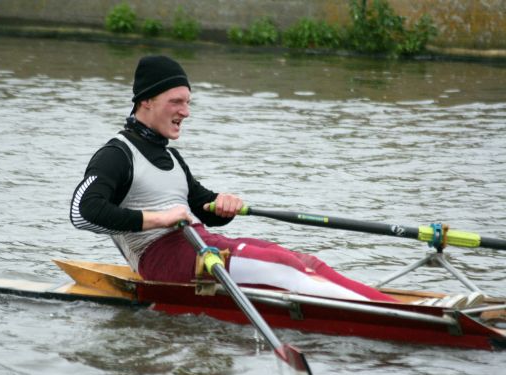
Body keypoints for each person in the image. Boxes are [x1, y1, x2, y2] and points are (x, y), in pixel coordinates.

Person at [70, 55, 396, 302]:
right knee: (282, 265)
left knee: (302, 260)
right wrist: (160, 218)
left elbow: (203, 207)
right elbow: (82, 212)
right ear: (146, 100)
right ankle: (389, 316)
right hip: (161, 259)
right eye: (176, 102)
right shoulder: (117, 154)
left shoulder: (171, 157)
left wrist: (223, 204)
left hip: (199, 245)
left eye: (187, 102)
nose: (186, 112)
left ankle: (387, 305)